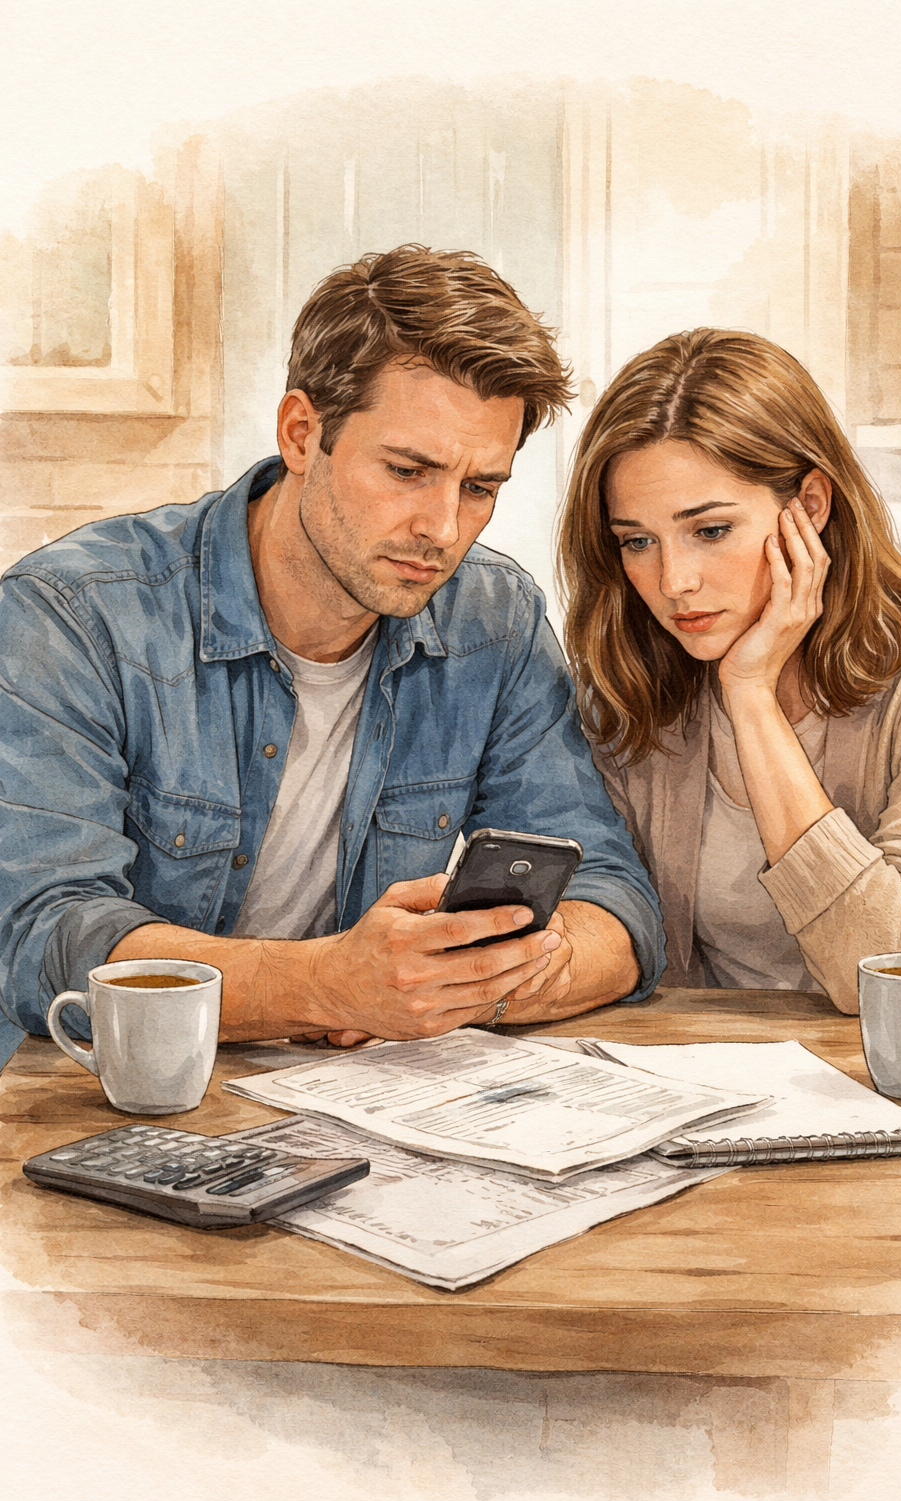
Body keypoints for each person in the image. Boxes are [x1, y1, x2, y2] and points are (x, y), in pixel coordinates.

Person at [0, 245, 664, 1048]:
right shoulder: (72, 615)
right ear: (301, 433)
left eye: (479, 488)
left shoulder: (495, 620)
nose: (443, 528)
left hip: (371, 1095)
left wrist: (490, 980)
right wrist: (325, 988)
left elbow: (613, 900)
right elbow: (40, 935)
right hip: (113, 1092)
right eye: (408, 470)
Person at [558, 327, 901, 1014]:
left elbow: (890, 965)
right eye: (637, 541)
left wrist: (751, 696)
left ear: (810, 505)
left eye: (710, 530)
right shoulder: (635, 685)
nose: (674, 580)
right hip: (701, 1069)